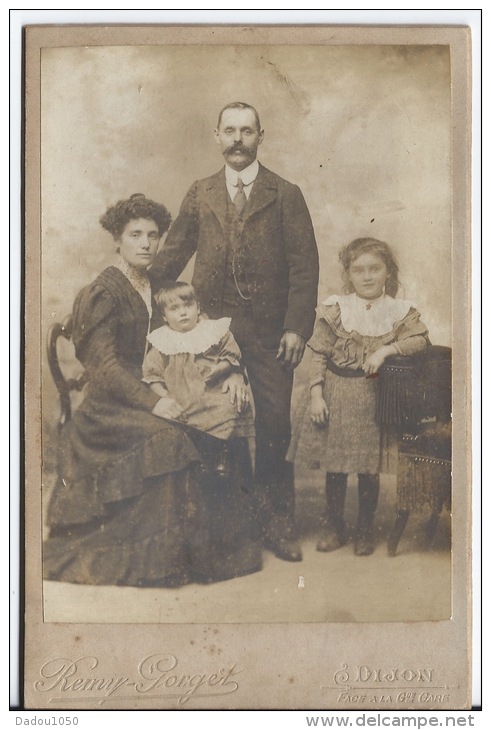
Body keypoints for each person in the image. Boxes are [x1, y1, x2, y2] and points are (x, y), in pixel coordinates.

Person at [43, 193, 262, 587]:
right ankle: (154, 557)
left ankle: (215, 546)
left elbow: (204, 332)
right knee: (167, 438)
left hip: (159, 390)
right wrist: (154, 401)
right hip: (109, 408)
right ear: (117, 239)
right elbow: (104, 368)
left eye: (153, 235)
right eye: (135, 235)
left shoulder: (160, 286)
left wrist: (232, 371)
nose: (146, 243)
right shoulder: (102, 292)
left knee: (224, 413)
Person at [151, 102, 319, 562]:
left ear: (261, 136)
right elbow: (171, 259)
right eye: (230, 131)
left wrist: (295, 328)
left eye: (247, 131)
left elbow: (305, 268)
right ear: (217, 136)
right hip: (207, 335)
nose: (238, 139)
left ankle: (277, 520)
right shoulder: (201, 191)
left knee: (273, 426)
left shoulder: (285, 193)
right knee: (209, 422)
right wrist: (143, 295)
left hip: (268, 337)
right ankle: (219, 525)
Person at [287, 237, 430, 556]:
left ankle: (365, 529)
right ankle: (335, 527)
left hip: (372, 397)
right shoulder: (338, 308)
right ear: (349, 274)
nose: (367, 276)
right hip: (336, 395)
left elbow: (420, 342)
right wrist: (316, 394)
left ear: (387, 273)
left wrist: (385, 350)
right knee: (335, 467)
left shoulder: (398, 311)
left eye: (375, 269)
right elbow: (320, 353)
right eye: (359, 270)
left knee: (368, 468)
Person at [142, 280, 255, 475]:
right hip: (180, 397)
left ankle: (222, 454)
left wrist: (221, 368)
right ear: (165, 317)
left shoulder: (212, 331)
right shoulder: (162, 340)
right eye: (174, 309)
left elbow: (232, 354)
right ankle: (199, 458)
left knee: (227, 406)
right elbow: (152, 375)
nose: (183, 312)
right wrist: (163, 396)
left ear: (198, 307)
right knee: (179, 422)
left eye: (188, 306)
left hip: (211, 391)